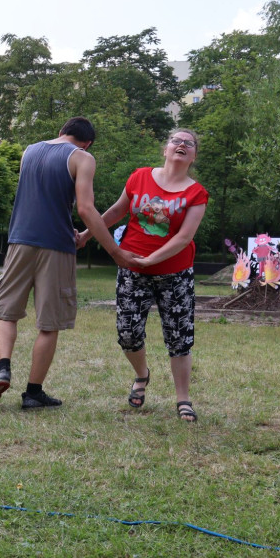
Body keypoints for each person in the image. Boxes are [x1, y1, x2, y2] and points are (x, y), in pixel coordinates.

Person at [0, 117, 139, 410]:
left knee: (7, 311)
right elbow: (85, 208)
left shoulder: (29, 151)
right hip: (56, 246)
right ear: (87, 142)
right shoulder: (83, 158)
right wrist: (114, 251)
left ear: (61, 132)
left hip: (19, 240)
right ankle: (33, 392)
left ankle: (3, 367)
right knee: (49, 322)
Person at [83, 129, 209, 421]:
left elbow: (184, 237)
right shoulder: (139, 177)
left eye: (188, 143)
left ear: (193, 156)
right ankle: (142, 375)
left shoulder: (196, 193)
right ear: (165, 149)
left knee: (179, 337)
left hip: (175, 273)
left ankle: (183, 399)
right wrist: (87, 235)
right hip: (131, 270)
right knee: (127, 333)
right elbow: (115, 212)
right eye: (175, 140)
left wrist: (151, 259)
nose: (181, 145)